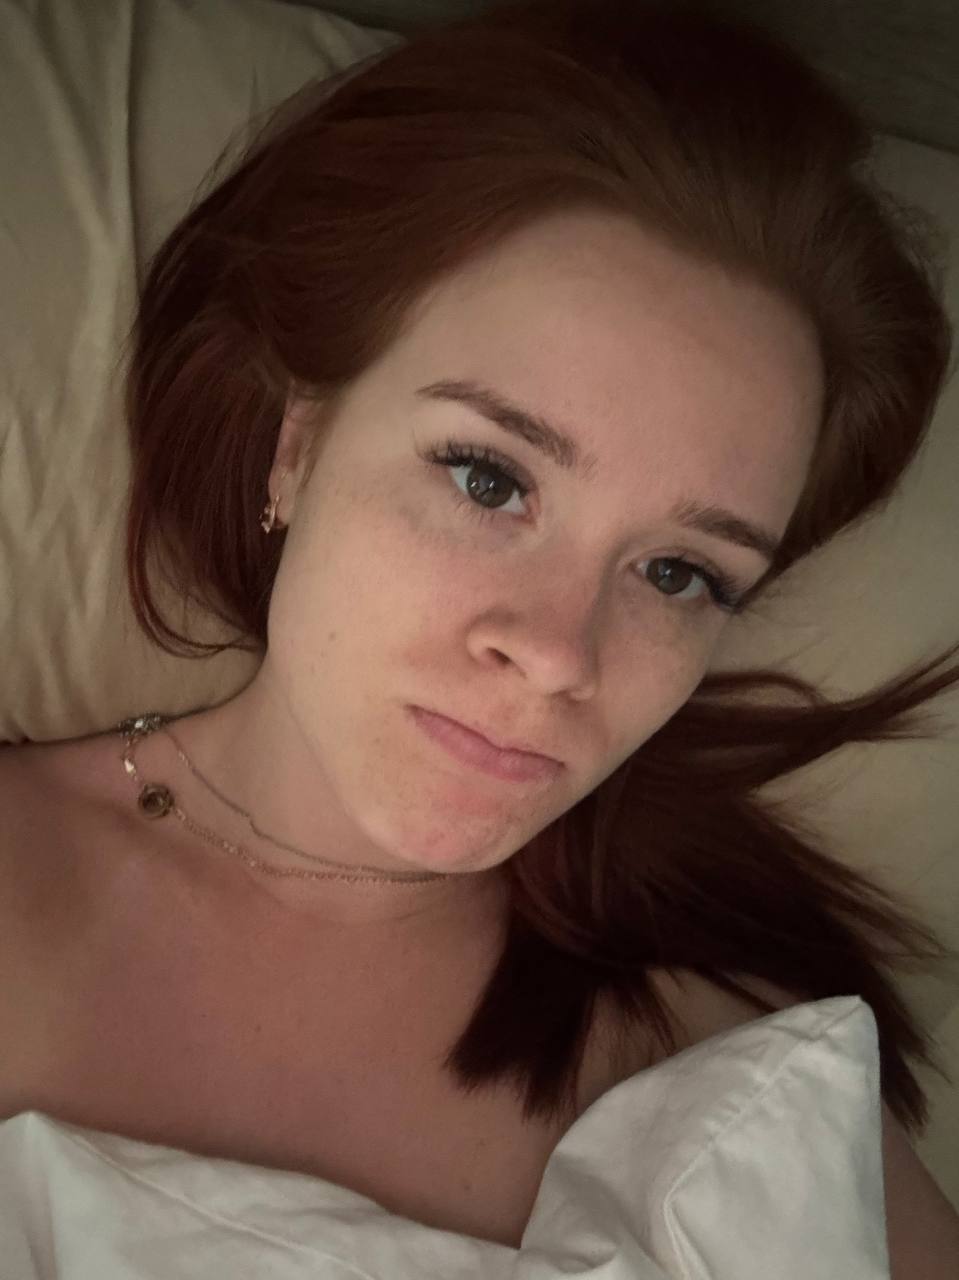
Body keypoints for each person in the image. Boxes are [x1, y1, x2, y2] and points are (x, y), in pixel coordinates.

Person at [2, 0, 958, 1264]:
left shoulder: (741, 1093)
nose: (559, 653)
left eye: (677, 571)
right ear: (296, 444)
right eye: (488, 477)